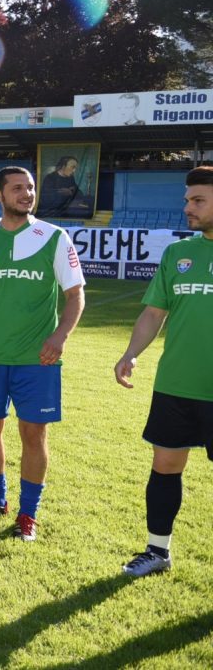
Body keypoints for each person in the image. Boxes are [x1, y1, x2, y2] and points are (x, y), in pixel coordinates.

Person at [0, 166, 85, 542]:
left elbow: (75, 295)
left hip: (37, 360)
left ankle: (28, 515)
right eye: (17, 188)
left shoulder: (54, 237)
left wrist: (60, 337)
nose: (26, 194)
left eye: (30, 188)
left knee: (33, 434)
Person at [114, 166, 213, 576]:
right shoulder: (179, 253)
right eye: (187, 200)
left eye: (198, 200)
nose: (187, 207)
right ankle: (157, 552)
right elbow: (155, 312)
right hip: (176, 385)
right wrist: (131, 352)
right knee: (165, 467)